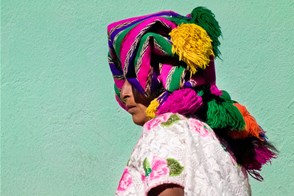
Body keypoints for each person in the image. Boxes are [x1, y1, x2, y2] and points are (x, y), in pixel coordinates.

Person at [107, 7, 277, 196]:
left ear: (163, 80)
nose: (123, 93)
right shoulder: (219, 143)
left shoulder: (165, 130)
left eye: (133, 80)